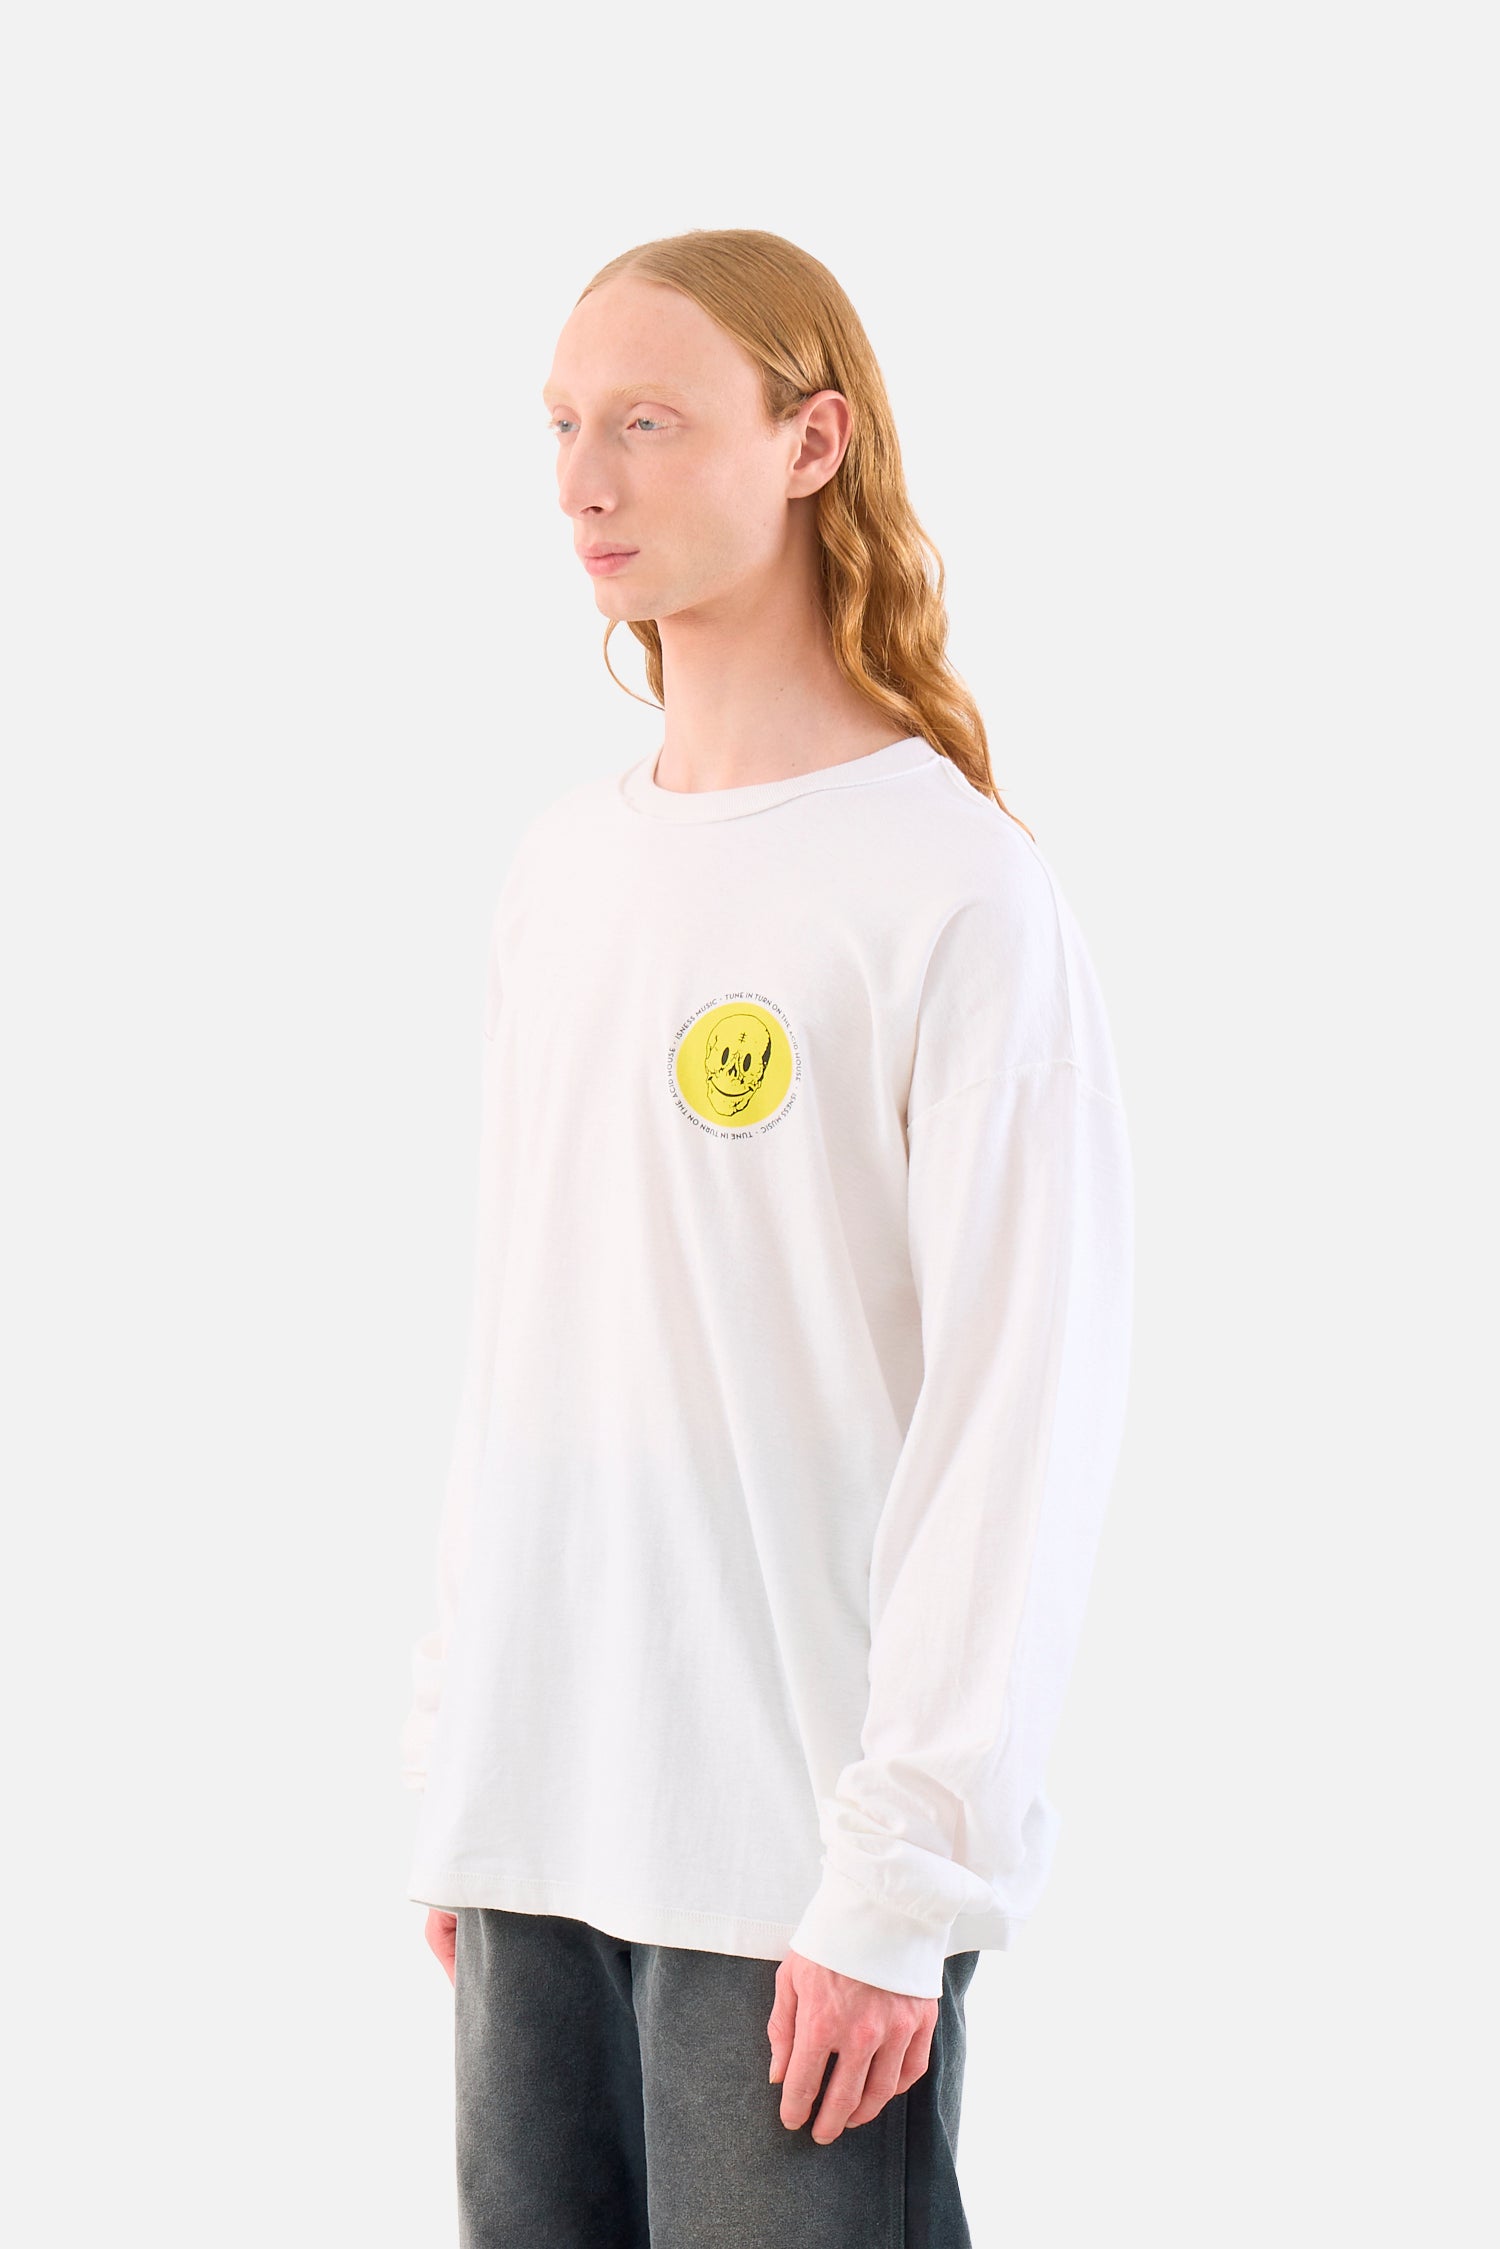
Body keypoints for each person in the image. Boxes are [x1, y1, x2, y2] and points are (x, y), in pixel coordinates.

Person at [399, 227, 1135, 2247]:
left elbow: (1021, 1411)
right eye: (562, 425)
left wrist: (903, 1882)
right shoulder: (564, 869)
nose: (584, 480)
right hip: (538, 1831)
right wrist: (460, 1754)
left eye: (647, 423)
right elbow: (528, 1344)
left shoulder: (954, 890)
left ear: (813, 444)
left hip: (797, 1875)